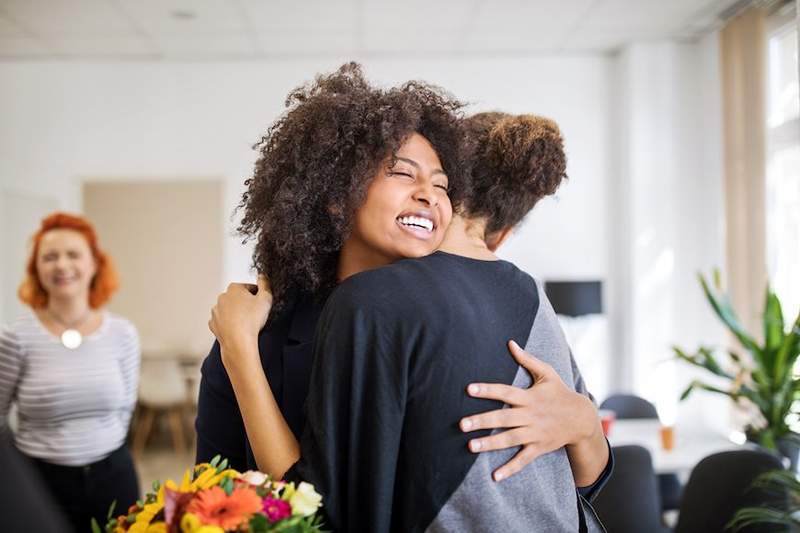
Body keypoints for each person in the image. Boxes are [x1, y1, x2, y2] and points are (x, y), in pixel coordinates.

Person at [196, 64, 604, 492]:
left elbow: (555, 485)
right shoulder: (262, 334)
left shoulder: (473, 324)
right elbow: (212, 497)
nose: (428, 193)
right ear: (336, 195)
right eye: (403, 172)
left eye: (443, 185)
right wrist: (240, 349)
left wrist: (583, 422)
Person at [0, 212, 141, 533]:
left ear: (94, 264)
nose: (62, 265)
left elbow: (125, 410)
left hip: (114, 476)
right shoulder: (16, 337)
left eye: (73, 254)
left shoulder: (123, 333)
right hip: (41, 481)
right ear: (36, 269)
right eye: (49, 257)